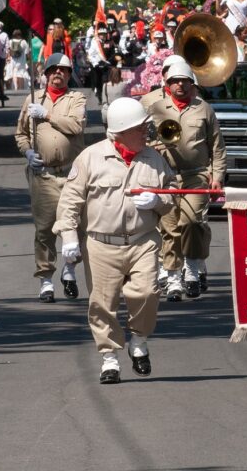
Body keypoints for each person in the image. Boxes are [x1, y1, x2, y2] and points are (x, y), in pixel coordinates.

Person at [53, 97, 174, 384]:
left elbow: (172, 192)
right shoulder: (90, 158)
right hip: (101, 244)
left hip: (143, 241)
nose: (146, 132)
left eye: (146, 126)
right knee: (102, 304)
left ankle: (139, 341)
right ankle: (109, 358)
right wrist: (68, 236)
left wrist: (159, 199)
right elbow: (70, 201)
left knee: (146, 293)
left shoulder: (154, 157)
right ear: (120, 131)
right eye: (140, 128)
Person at [143, 61, 227, 300]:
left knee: (191, 222)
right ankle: (172, 278)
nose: (180, 85)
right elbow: (143, 142)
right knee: (169, 228)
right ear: (167, 85)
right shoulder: (155, 108)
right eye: (174, 81)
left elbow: (218, 147)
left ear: (192, 83)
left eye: (184, 80)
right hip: (166, 176)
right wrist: (153, 144)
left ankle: (192, 269)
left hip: (196, 175)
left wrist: (217, 176)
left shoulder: (204, 109)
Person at [13, 54, 87, 301]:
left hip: (72, 175)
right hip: (43, 175)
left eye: (64, 70)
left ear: (69, 74)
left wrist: (46, 115)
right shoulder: (32, 99)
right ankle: (45, 279)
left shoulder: (76, 98)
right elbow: (21, 134)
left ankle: (69, 268)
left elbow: (76, 127)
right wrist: (28, 152)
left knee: (75, 227)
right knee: (45, 230)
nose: (58, 73)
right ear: (45, 74)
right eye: (53, 70)